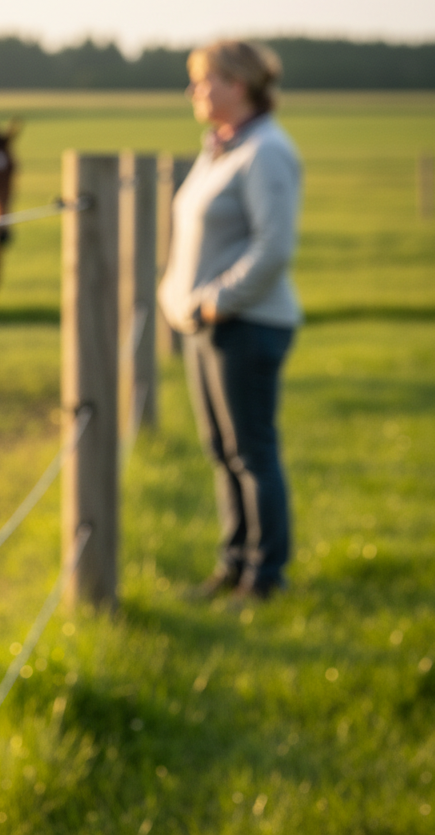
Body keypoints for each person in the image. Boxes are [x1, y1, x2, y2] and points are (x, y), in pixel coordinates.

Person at [158, 40, 302, 599]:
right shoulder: (221, 148)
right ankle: (233, 563)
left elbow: (274, 248)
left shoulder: (266, 152)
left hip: (248, 324)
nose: (194, 91)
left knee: (252, 454)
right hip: (208, 324)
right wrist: (179, 298)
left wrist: (217, 299)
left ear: (236, 86)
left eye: (203, 80)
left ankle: (265, 577)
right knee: (222, 451)